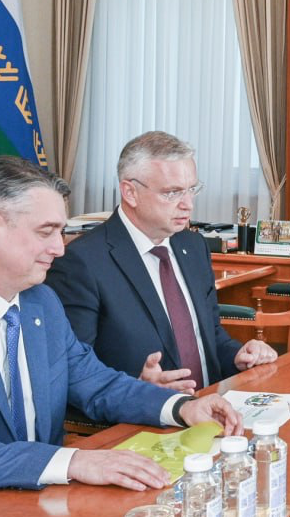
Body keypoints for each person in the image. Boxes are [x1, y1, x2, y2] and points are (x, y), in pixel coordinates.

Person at [0, 157, 242, 511]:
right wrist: (73, 461)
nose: (60, 249)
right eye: (46, 232)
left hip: (26, 506)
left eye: (61, 232)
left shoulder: (41, 303)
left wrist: (181, 407)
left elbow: (96, 383)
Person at [45, 131, 276, 398]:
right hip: (141, 416)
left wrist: (239, 355)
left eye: (192, 189)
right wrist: (138, 389)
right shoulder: (81, 262)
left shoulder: (193, 246)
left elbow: (209, 337)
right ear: (130, 192)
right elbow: (74, 373)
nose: (187, 204)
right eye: (172, 193)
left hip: (210, 406)